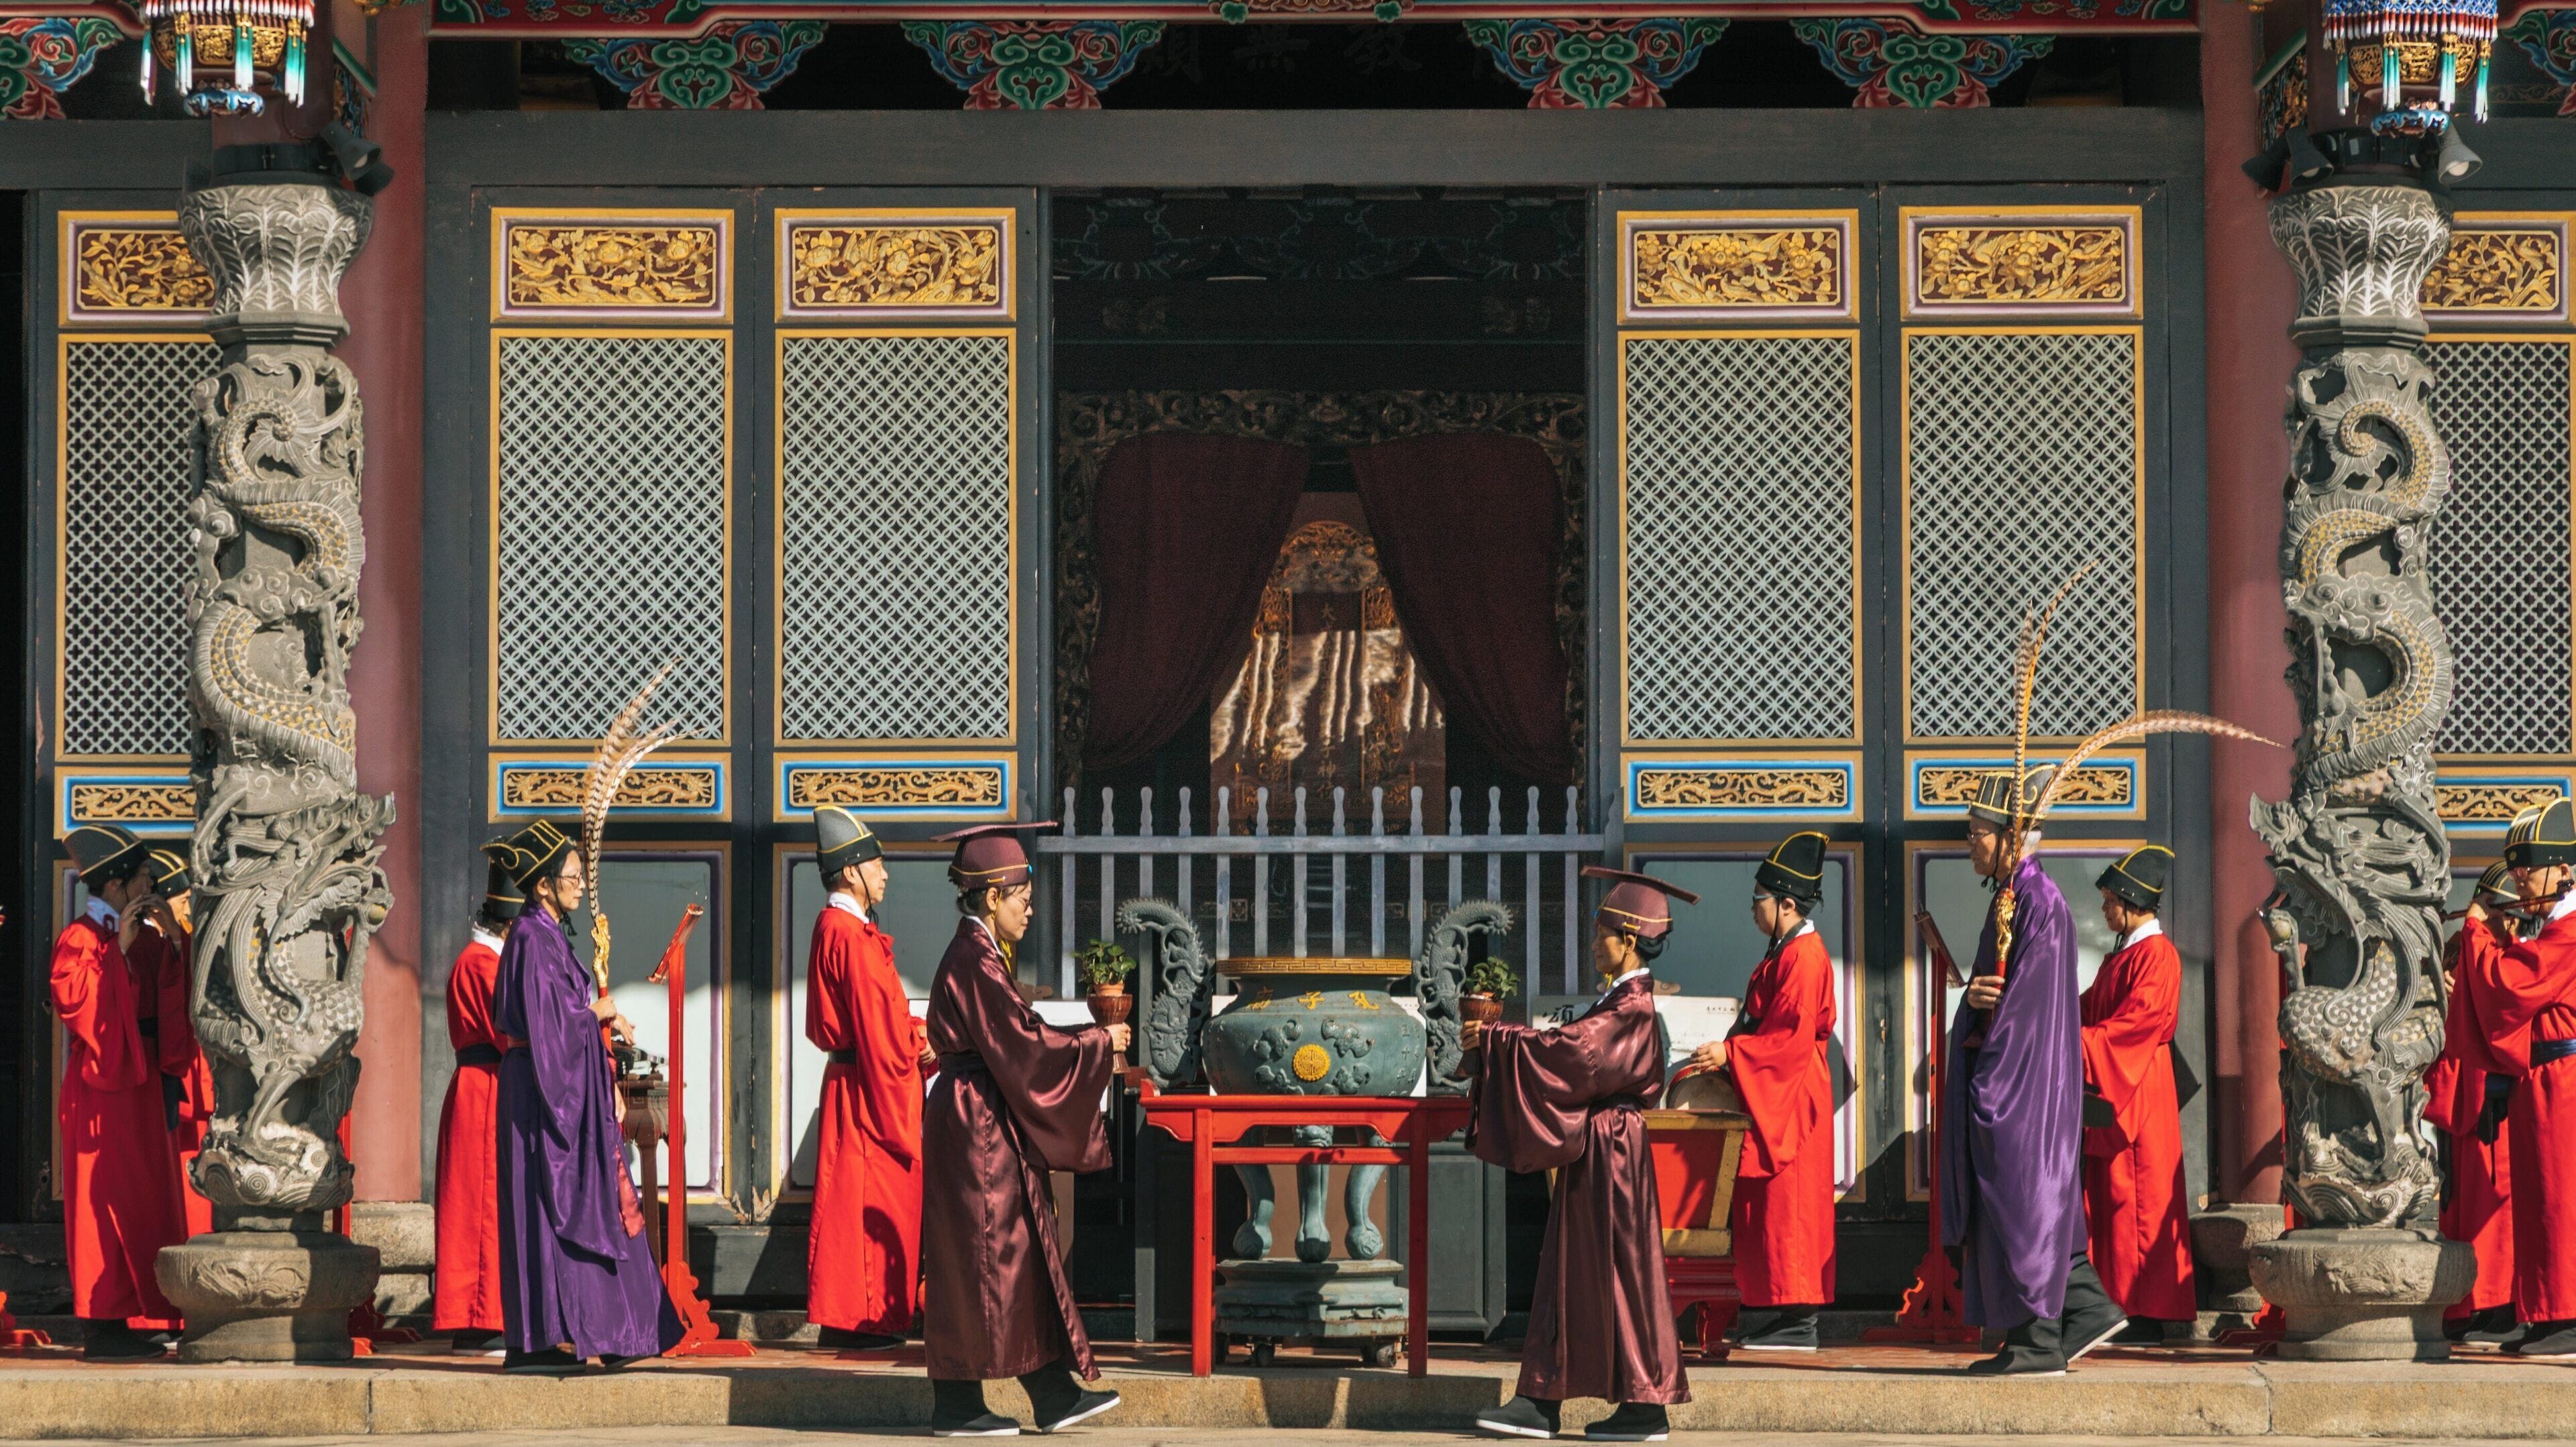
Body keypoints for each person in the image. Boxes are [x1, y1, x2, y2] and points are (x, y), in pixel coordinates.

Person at [1467, 865, 1693, 1444]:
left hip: (1611, 1150)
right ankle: (1565, 1400)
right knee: (1590, 1270)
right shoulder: (1623, 1000)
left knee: (1612, 1271)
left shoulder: (1631, 1007)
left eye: (1602, 934)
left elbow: (1575, 1054)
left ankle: (1613, 1402)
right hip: (1604, 1144)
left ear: (1631, 939)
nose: (1595, 943)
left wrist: (1497, 1037)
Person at [920, 822, 1129, 1437]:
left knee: (1003, 1255)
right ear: (991, 897)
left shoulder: (981, 954)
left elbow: (1015, 1029)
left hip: (980, 1115)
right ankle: (965, 1405)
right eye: (1023, 899)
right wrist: (1098, 1040)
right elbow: (1023, 1041)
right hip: (976, 1125)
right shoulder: (973, 957)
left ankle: (1049, 1394)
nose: (1029, 911)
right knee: (991, 1256)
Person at [1941, 767, 2125, 1375]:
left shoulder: (2039, 903)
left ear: (2009, 836)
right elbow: (1995, 992)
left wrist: (1989, 1069)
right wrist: (1973, 1003)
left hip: (2025, 1081)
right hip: (2013, 1069)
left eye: (1977, 833)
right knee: (2022, 1204)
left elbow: (2032, 1005)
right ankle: (2062, 1320)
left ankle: (2039, 1340)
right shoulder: (2010, 899)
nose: (1970, 843)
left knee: (2024, 1199)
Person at [488, 818, 682, 1375]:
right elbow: (546, 1026)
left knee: (579, 1207)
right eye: (570, 875)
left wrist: (600, 1041)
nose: (578, 883)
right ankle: (538, 1338)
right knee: (543, 1210)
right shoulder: (529, 937)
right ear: (543, 885)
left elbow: (560, 1020)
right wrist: (596, 1011)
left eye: (578, 873)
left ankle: (598, 1329)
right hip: (542, 1094)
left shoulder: (548, 935)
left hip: (563, 1086)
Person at [1682, 833, 1837, 1352]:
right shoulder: (1789, 950)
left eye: (1759, 899)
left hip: (1791, 1095)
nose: (1753, 908)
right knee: (1769, 1210)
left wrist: (1733, 1055)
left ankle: (1796, 1318)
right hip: (1777, 1089)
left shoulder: (1805, 957)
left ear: (1787, 903)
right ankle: (1773, 1313)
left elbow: (1789, 1039)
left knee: (1787, 1208)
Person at [50, 824, 191, 1360]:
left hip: (144, 1079)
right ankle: (104, 1322)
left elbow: (172, 1000)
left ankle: (148, 1312)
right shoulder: (80, 940)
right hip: (102, 1087)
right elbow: (81, 1010)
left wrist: (175, 942)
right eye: (141, 878)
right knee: (102, 1200)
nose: (149, 884)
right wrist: (120, 949)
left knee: (146, 1197)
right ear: (114, 887)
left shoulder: (149, 936)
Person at [804, 806, 935, 1350]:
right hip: (870, 1089)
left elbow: (876, 1017)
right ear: (852, 871)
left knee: (847, 1203)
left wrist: (914, 1031)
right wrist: (924, 1044)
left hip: (851, 1080)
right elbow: (879, 1029)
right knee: (867, 1204)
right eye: (877, 863)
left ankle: (853, 1315)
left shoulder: (833, 925)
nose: (885, 873)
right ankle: (863, 1319)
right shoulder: (852, 936)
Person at [2458, 796, 2576, 1356]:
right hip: (2542, 1073)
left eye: (2527, 863)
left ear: (2561, 867)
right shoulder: (2552, 927)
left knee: (2560, 1195)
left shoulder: (2570, 930)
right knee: (2537, 1195)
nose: (2520, 876)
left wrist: (2478, 935)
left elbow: (2512, 985)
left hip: (2564, 1077)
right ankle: (2544, 1310)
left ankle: (2567, 1315)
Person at [2077, 845, 2195, 1342]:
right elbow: (2088, 1007)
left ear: (2129, 902)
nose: (2104, 909)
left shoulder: (2156, 955)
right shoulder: (2126, 953)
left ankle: (2142, 1308)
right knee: (2117, 1197)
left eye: (2109, 900)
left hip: (2139, 1085)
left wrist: (2073, 1040)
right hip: (2121, 1079)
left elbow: (2135, 1025)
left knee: (2138, 1199)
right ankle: (2117, 1303)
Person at [433, 853, 525, 1353]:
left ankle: (482, 1315)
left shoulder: (482, 960)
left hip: (484, 1084)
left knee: (483, 1202)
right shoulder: (481, 964)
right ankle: (480, 1316)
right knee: (484, 1204)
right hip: (484, 1088)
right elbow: (509, 1029)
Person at [2429, 859, 2520, 1344]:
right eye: (2502, 911)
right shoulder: (2457, 951)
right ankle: (2469, 1301)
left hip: (2497, 1092)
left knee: (2498, 1202)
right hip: (2463, 1090)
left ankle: (2498, 1300)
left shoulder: (2512, 954)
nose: (2510, 921)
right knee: (2463, 1200)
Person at [142, 847, 215, 1243]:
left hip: (189, 1064)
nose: (188, 909)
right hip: (156, 1068)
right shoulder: (145, 945)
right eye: (183, 901)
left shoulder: (181, 943)